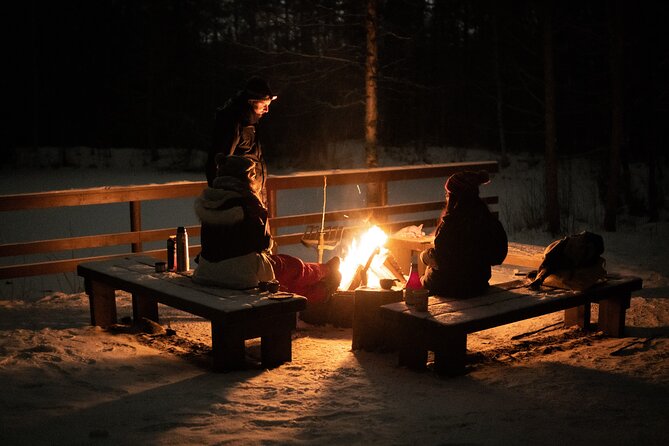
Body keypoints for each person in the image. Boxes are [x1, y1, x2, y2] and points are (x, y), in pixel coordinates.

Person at [193, 154, 341, 319]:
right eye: (254, 175)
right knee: (290, 267)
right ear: (248, 177)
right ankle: (325, 271)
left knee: (281, 279)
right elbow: (264, 244)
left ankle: (321, 290)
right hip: (241, 276)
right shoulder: (249, 203)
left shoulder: (209, 200)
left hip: (207, 271)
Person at [419, 170, 508, 297]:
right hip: (478, 286)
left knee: (418, 284)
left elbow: (442, 262)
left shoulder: (451, 224)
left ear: (454, 196)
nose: (446, 197)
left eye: (448, 194)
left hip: (449, 288)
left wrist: (426, 256)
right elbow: (498, 256)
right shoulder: (488, 221)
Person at [206, 77, 277, 203]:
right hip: (239, 200)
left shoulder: (251, 124)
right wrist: (224, 200)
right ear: (251, 102)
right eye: (264, 105)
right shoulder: (232, 122)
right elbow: (219, 161)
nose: (267, 110)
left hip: (253, 195)